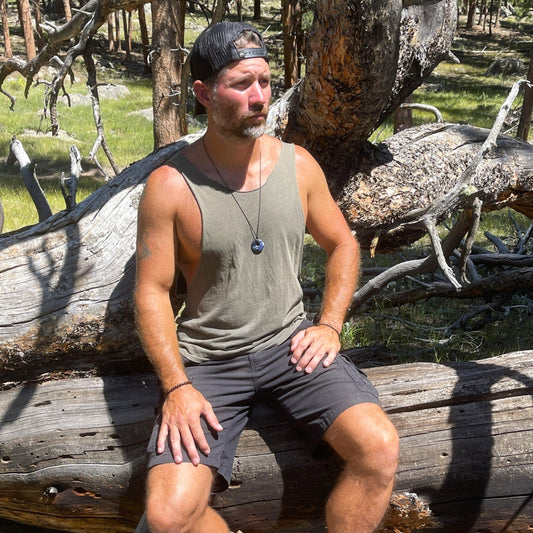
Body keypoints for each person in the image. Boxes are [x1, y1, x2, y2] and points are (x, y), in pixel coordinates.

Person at [134, 21, 399, 533]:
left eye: (266, 82)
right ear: (204, 93)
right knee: (167, 517)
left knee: (379, 450)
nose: (260, 98)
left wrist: (330, 325)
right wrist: (176, 386)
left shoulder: (298, 166)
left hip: (292, 348)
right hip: (210, 363)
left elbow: (343, 243)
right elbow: (153, 291)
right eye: (241, 84)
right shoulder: (169, 187)